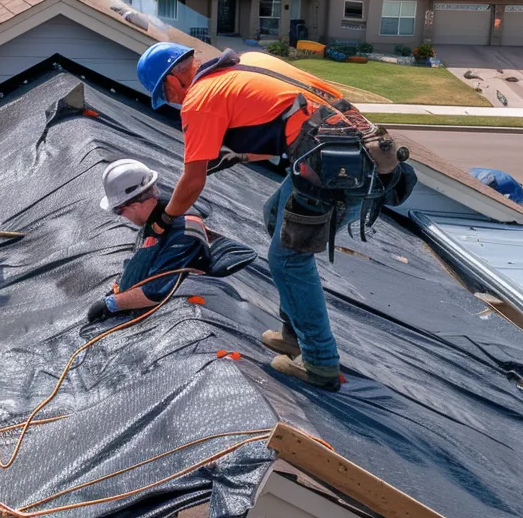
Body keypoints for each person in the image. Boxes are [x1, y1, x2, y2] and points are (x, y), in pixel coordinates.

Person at [134, 42, 416, 391]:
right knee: (274, 215)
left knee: (288, 261)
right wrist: (243, 154)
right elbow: (295, 112)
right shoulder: (249, 62)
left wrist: (163, 219)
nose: (174, 103)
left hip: (339, 172)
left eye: (167, 97)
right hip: (352, 153)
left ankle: (320, 363)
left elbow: (193, 181)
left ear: (172, 83)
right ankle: (293, 333)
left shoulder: (199, 98)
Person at [87, 159, 254, 323]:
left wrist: (111, 305)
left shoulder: (183, 234)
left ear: (135, 205)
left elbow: (154, 292)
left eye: (118, 211)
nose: (121, 217)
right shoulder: (157, 214)